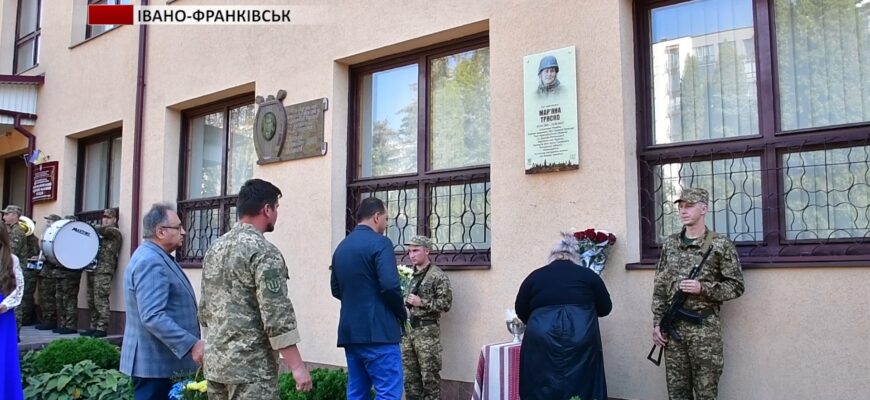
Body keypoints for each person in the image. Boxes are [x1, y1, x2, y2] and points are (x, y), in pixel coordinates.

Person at [200, 178, 312, 399]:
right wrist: (297, 367)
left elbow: (204, 308)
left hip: (216, 366)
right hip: (251, 371)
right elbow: (276, 315)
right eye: (276, 208)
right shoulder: (264, 252)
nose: (277, 214)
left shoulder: (215, 248)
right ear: (267, 209)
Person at [651, 187, 745, 400]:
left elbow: (736, 286)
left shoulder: (720, 245)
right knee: (677, 394)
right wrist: (658, 322)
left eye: (689, 206)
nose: (683, 211)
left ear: (704, 209)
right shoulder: (670, 244)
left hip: (704, 330)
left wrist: (703, 289)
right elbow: (659, 287)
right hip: (673, 330)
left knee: (705, 393)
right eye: (681, 206)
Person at [120, 203, 204, 400]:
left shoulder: (156, 256)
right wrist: (191, 344)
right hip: (154, 366)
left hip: (160, 363)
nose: (183, 232)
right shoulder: (151, 261)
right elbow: (152, 316)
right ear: (160, 232)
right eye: (178, 227)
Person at [514, 232, 612, 400]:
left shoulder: (535, 276)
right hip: (581, 335)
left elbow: (521, 309)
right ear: (575, 257)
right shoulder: (588, 276)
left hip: (541, 336)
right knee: (582, 382)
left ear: (551, 256)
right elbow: (605, 308)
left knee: (539, 382)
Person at [331, 197, 405, 400]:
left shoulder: (341, 247)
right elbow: (390, 286)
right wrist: (401, 312)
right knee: (388, 392)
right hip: (379, 332)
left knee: (357, 392)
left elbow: (336, 289)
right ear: (376, 216)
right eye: (386, 218)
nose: (387, 223)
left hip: (351, 333)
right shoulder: (381, 243)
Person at [401, 235, 452, 400]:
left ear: (427, 251)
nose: (412, 255)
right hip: (409, 333)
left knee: (429, 380)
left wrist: (422, 302)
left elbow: (445, 304)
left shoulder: (437, 275)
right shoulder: (408, 275)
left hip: (427, 333)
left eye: (416, 250)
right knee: (410, 381)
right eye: (409, 251)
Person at [83, 208, 123, 337]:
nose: (105, 219)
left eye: (108, 217)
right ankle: (93, 326)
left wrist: (88, 226)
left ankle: (102, 327)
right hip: (93, 268)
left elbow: (104, 230)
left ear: (115, 220)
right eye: (104, 217)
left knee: (101, 298)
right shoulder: (100, 233)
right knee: (91, 299)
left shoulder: (114, 232)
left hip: (104, 270)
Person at [0, 226, 24, 399]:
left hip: (3, 315)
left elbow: (19, 288)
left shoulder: (11, 259)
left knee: (4, 359)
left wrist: (4, 305)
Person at [3, 205, 35, 332]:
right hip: (8, 271)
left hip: (15, 272)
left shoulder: (17, 232)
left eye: (7, 214)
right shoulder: (9, 230)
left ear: (14, 216)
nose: (4, 216)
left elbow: (12, 252)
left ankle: (15, 331)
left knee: (15, 302)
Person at [52, 215, 83, 335]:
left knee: (69, 300)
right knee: (60, 299)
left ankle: (71, 325)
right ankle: (63, 324)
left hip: (71, 273)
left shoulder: (79, 239)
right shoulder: (64, 237)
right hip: (61, 271)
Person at [34, 214, 62, 331]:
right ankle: (46, 319)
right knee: (43, 296)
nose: (47, 224)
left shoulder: (58, 236)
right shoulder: (46, 234)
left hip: (51, 271)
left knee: (49, 297)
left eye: (49, 221)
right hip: (44, 270)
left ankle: (50, 320)